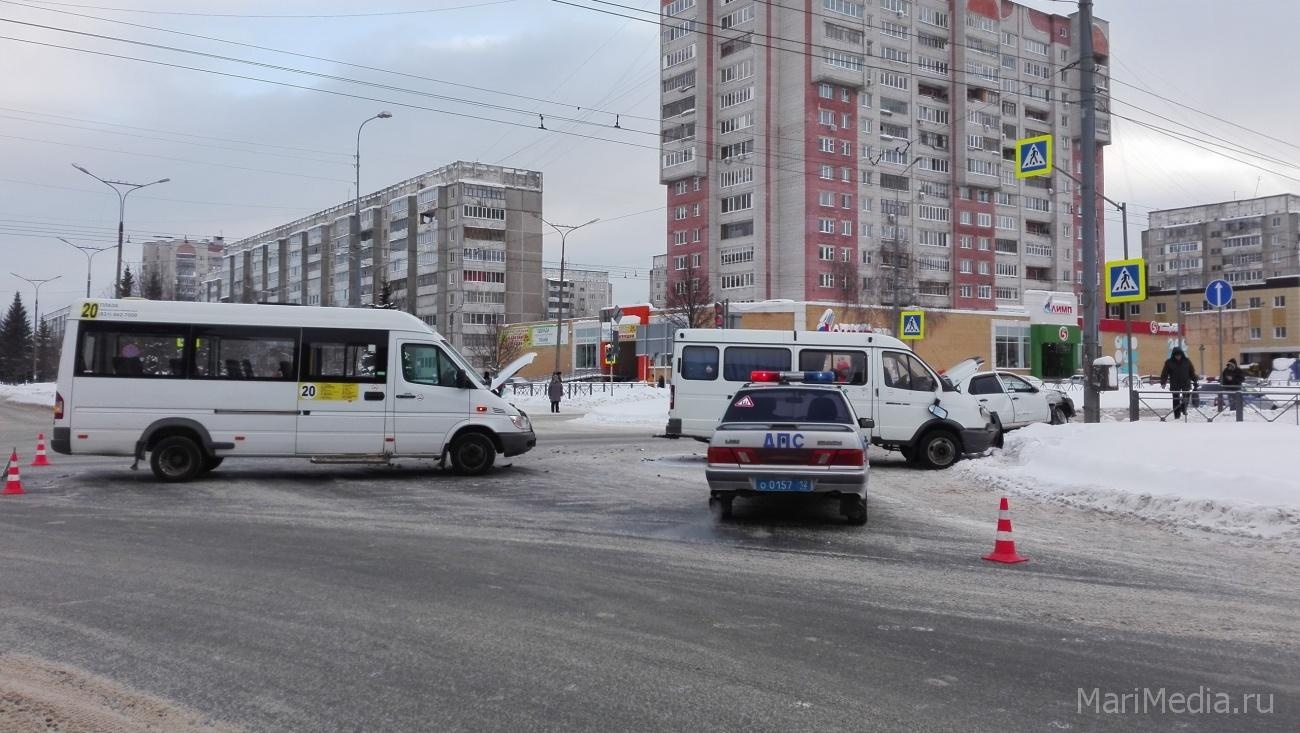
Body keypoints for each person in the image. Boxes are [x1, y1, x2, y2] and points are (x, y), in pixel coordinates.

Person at [1160, 347, 1198, 420]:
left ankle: (1183, 408)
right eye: (1176, 355)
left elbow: (1191, 372)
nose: (1178, 357)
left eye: (1179, 355)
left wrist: (1195, 380)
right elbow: (1164, 373)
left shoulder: (1187, 361)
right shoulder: (1169, 362)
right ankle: (1177, 415)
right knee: (1175, 399)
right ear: (1173, 355)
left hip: (1186, 382)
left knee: (1186, 397)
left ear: (1182, 354)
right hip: (1175, 383)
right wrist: (1163, 382)